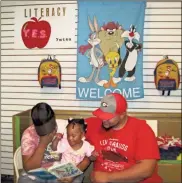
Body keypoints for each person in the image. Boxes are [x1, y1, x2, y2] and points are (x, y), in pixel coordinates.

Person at [84, 93, 163, 183]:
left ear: (122, 114)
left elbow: (146, 169)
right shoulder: (92, 124)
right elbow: (70, 134)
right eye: (101, 114)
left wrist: (108, 177)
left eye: (108, 117)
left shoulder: (142, 129)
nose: (103, 120)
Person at [18, 102, 90, 183]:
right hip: (37, 173)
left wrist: (73, 174)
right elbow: (28, 168)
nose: (51, 132)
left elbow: (87, 157)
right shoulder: (29, 135)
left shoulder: (68, 129)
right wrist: (43, 143)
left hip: (63, 170)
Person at [51, 118, 97, 182]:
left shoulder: (86, 146)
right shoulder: (65, 142)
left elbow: (91, 158)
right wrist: (56, 140)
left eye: (73, 135)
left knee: (77, 181)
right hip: (62, 169)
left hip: (76, 173)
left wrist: (94, 156)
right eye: (68, 135)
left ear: (82, 135)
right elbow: (54, 149)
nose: (70, 138)